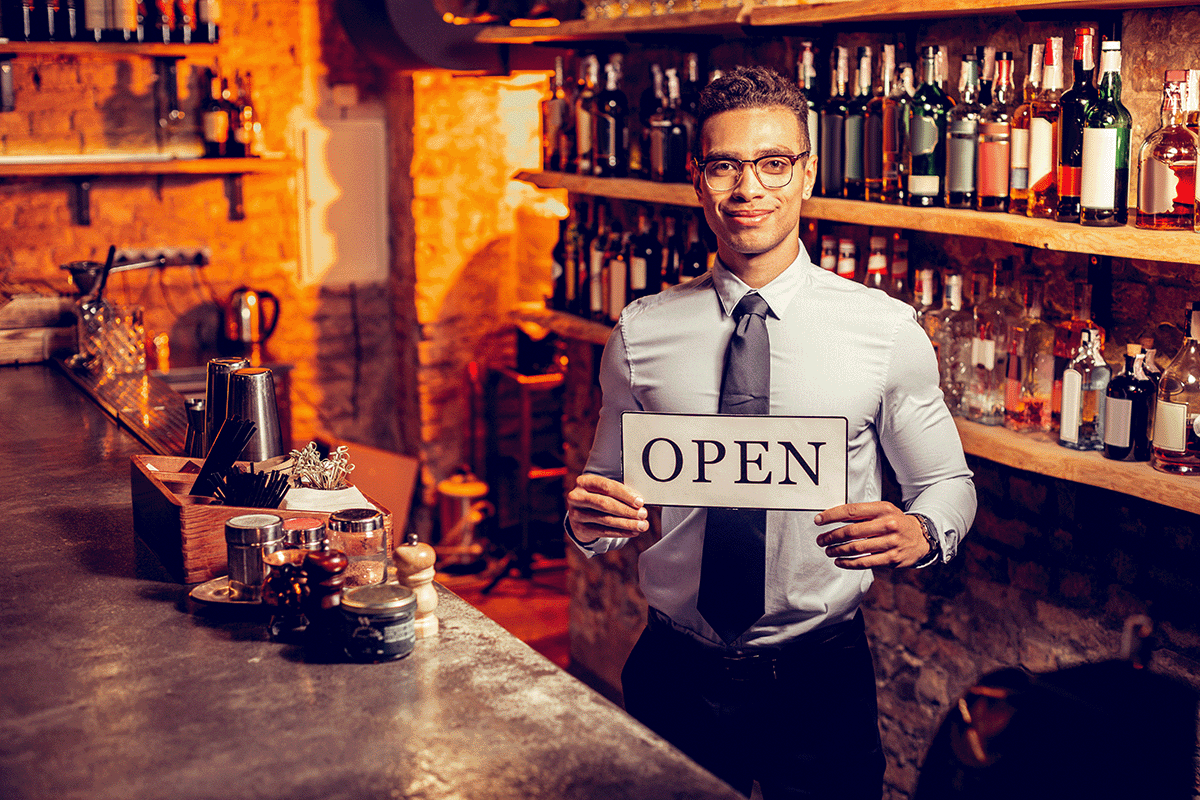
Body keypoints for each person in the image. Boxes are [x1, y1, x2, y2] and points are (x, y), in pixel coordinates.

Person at [565, 65, 977, 799]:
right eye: (724, 165)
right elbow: (600, 497)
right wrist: (587, 519)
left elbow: (946, 482)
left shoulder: (883, 332)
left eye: (772, 164)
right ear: (697, 178)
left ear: (806, 173)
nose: (747, 188)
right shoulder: (640, 332)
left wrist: (924, 531)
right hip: (673, 671)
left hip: (820, 678)